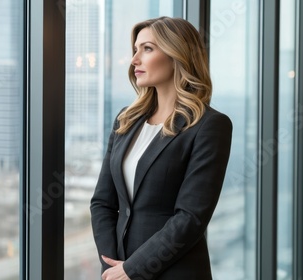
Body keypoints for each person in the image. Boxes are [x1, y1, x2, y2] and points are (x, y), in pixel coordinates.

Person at [90, 16, 233, 280]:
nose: (134, 60)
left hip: (175, 272)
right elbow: (102, 202)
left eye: (147, 49)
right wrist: (113, 265)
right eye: (135, 50)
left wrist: (133, 269)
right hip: (118, 271)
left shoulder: (210, 126)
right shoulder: (126, 120)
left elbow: (191, 217)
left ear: (177, 54)